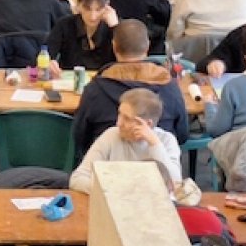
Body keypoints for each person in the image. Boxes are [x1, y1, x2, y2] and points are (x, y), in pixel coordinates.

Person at [72, 19, 189, 157]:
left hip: (107, 161)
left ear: (114, 46)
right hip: (156, 162)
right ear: (147, 46)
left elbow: (80, 136)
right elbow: (182, 134)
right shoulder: (169, 85)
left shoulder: (96, 88)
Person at [68, 88, 182, 193]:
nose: (118, 123)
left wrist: (155, 144)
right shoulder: (111, 135)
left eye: (127, 118)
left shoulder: (166, 141)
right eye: (119, 114)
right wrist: (114, 190)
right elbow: (77, 178)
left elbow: (175, 184)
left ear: (147, 124)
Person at [47, 0, 118, 72]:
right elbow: (47, 52)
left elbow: (127, 58)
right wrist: (48, 62)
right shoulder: (64, 24)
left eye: (98, 10)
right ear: (78, 5)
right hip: (70, 78)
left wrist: (115, 27)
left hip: (106, 78)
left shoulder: (114, 26)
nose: (93, 16)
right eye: (87, 9)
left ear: (107, 7)